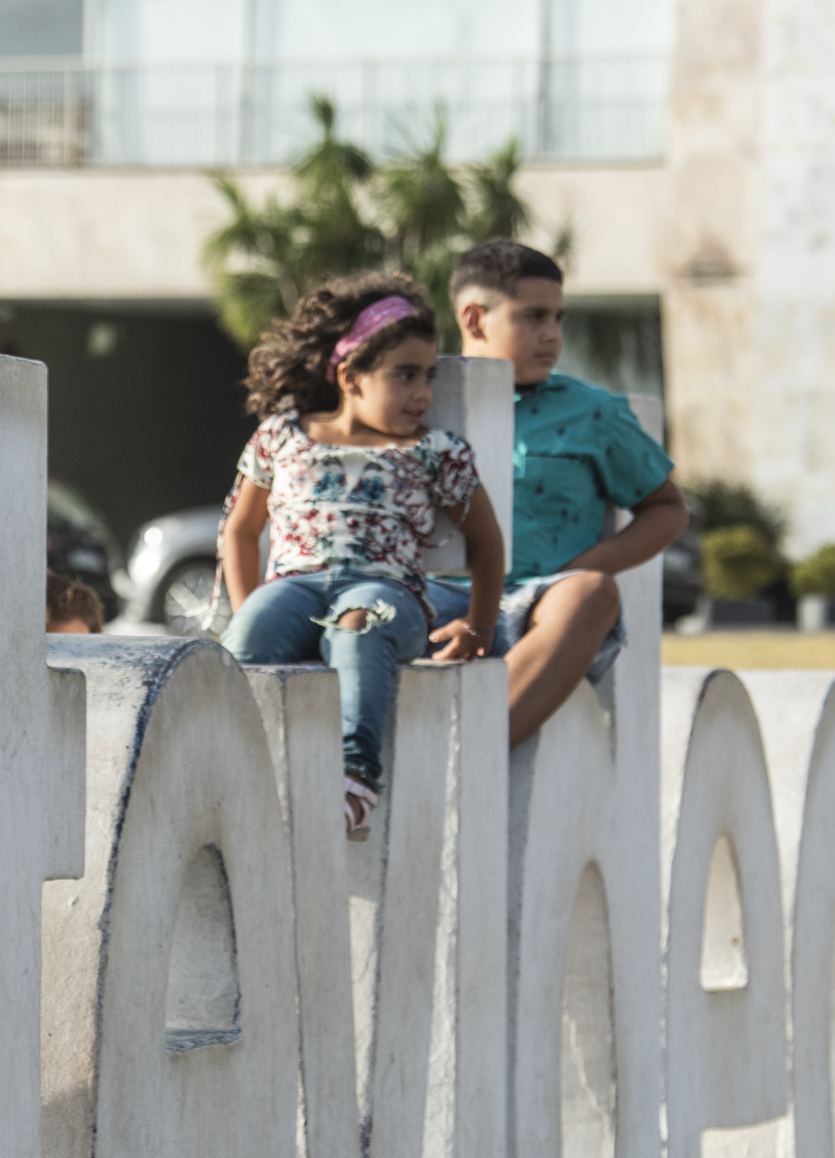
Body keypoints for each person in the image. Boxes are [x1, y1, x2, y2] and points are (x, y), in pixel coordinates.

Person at [218, 272, 505, 836]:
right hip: (294, 585)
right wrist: (254, 603)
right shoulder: (282, 435)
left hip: (386, 591)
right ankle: (231, 771)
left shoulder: (433, 451)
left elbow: (487, 541)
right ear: (350, 376)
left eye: (428, 377)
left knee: (358, 625)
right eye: (404, 376)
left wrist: (479, 626)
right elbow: (239, 530)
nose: (423, 394)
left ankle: (354, 778)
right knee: (244, 643)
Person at [435, 239, 690, 746]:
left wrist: (587, 565)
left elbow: (667, 510)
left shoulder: (594, 412)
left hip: (536, 608)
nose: (552, 335)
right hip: (433, 602)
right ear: (474, 319)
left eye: (558, 318)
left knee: (591, 594)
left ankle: (466, 757)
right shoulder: (418, 399)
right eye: (533, 317)